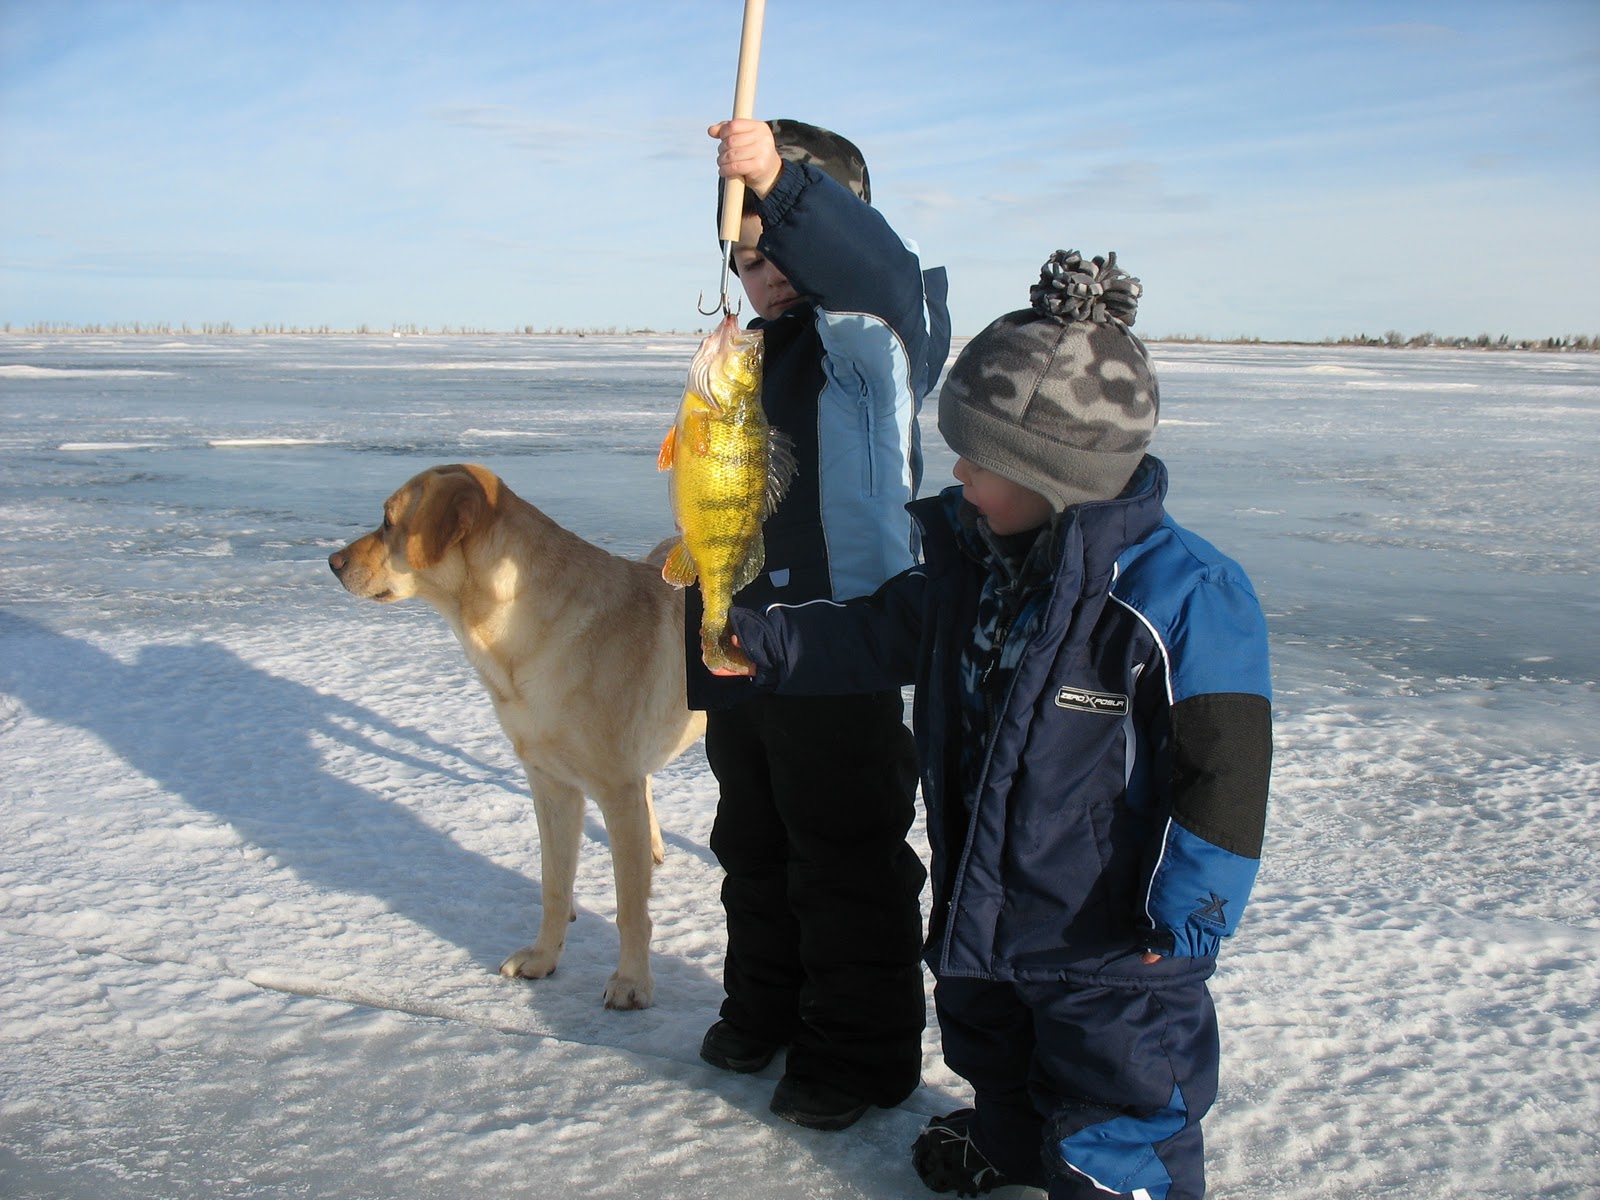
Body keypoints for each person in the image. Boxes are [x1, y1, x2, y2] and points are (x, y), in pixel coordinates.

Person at [709, 250, 1273, 1198]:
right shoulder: (972, 565)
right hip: (986, 894)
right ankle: (1011, 1146)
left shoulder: (1182, 598)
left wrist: (1191, 918)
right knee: (994, 1048)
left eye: (982, 459)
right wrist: (763, 642)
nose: (958, 472)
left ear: (1056, 476)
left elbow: (1223, 777)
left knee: (1116, 1094)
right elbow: (881, 634)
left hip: (1109, 933)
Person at [688, 116, 951, 1132]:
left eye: (785, 247)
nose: (771, 274)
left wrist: (781, 188)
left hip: (842, 640)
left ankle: (860, 1053)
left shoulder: (871, 332)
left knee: (844, 854)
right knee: (752, 842)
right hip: (737, 636)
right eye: (749, 258)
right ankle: (765, 1007)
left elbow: (867, 266)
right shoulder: (746, 354)